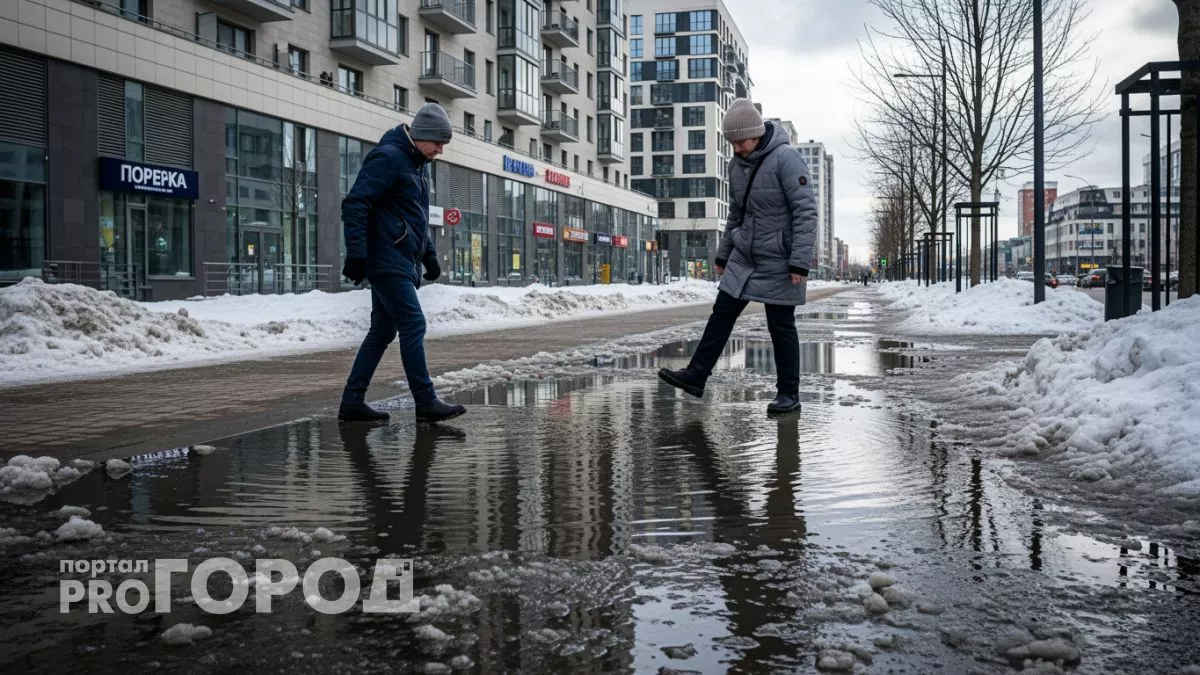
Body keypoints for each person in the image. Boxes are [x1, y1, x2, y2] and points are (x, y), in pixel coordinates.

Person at [657, 99, 818, 415]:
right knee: (722, 312)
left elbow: (806, 211)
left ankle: (788, 394)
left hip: (780, 258)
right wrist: (723, 253)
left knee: (780, 325)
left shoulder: (787, 159)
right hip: (745, 256)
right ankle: (696, 375)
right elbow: (737, 214)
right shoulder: (737, 166)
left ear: (756, 133)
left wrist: (799, 260)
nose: (737, 148)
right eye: (732, 143)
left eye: (741, 141)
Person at [338, 103, 466, 425]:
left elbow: (415, 218)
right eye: (438, 143)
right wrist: (357, 254)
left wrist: (430, 255)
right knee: (413, 324)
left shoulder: (418, 166)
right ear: (421, 136)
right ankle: (424, 401)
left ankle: (352, 402)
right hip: (386, 259)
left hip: (401, 259)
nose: (440, 150)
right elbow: (356, 203)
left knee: (382, 330)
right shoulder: (389, 158)